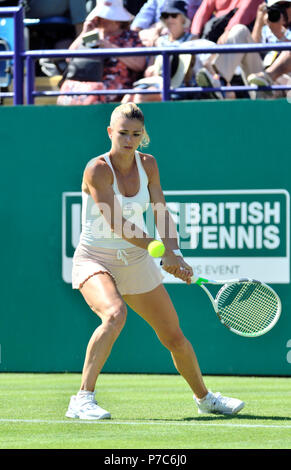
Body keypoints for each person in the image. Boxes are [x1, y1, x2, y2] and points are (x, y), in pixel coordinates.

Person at [65, 102, 245, 420]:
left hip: (134, 260)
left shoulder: (148, 164)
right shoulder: (97, 169)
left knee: (173, 336)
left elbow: (160, 210)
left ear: (142, 135)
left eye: (135, 134)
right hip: (96, 257)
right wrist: (159, 249)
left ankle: (205, 398)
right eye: (122, 133)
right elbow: (115, 222)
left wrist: (174, 251)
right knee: (114, 315)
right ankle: (82, 399)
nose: (129, 139)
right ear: (110, 132)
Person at [122, 0, 215, 103]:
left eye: (174, 15)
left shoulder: (192, 40)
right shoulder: (159, 41)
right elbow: (148, 71)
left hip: (179, 86)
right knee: (128, 96)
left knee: (140, 96)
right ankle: (116, 119)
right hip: (158, 82)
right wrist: (152, 69)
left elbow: (194, 70)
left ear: (183, 19)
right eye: (166, 16)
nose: (170, 19)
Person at [195, 0, 291, 99]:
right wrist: (259, 22)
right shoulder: (267, 25)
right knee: (240, 30)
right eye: (277, 8)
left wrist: (280, 35)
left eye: (286, 5)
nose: (282, 11)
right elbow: (253, 49)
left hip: (285, 82)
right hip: (260, 79)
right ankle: (219, 80)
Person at [57, 0, 146, 106]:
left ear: (118, 21)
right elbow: (69, 58)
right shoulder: (93, 35)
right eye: (99, 17)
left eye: (106, 17)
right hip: (86, 82)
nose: (101, 20)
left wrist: (108, 46)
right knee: (67, 87)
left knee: (93, 91)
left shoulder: (131, 37)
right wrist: (84, 33)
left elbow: (140, 64)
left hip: (115, 85)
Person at [190, 0, 263, 43]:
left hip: (238, 32)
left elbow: (244, 11)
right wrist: (195, 34)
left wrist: (228, 31)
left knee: (238, 31)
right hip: (214, 30)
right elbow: (203, 10)